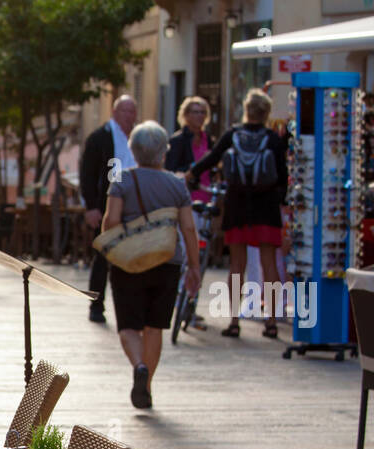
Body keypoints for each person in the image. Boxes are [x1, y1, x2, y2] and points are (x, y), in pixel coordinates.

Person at [101, 121, 200, 409]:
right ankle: (149, 383)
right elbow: (189, 228)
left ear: (133, 150)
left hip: (129, 261)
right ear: (163, 152)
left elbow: (111, 221)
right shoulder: (176, 184)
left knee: (129, 325)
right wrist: (194, 266)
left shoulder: (121, 180)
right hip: (167, 261)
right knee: (154, 327)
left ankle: (139, 366)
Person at [187, 88, 288, 338]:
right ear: (266, 113)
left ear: (246, 110)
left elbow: (213, 158)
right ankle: (272, 321)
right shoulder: (273, 139)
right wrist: (283, 202)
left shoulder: (233, 135)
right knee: (269, 265)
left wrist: (193, 173)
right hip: (266, 207)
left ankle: (234, 321)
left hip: (237, 206)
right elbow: (283, 176)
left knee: (236, 266)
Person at [79, 94, 138, 325]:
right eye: (125, 111)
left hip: (133, 209)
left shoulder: (138, 137)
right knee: (103, 256)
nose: (129, 116)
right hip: (106, 206)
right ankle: (96, 305)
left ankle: (128, 307)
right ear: (115, 112)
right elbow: (88, 174)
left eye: (132, 111)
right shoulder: (99, 138)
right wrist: (91, 207)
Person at [163, 95, 213, 330]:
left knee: (201, 256)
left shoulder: (208, 139)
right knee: (187, 254)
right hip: (185, 203)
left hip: (206, 200)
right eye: (194, 111)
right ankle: (180, 302)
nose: (198, 116)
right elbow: (170, 172)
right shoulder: (177, 141)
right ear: (185, 114)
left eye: (202, 112)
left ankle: (191, 303)